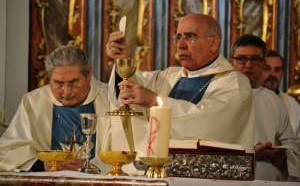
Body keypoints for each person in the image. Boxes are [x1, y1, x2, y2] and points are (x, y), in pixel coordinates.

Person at [106, 14, 255, 174]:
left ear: (214, 43)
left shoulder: (235, 84)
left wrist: (155, 102)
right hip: (161, 174)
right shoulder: (169, 76)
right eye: (178, 38)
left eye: (190, 37)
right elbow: (132, 87)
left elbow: (207, 121)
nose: (181, 45)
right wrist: (123, 61)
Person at [0, 45, 111, 172]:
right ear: (49, 78)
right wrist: (41, 165)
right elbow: (8, 151)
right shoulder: (33, 102)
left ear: (88, 73)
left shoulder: (110, 99)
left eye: (73, 82)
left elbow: (126, 149)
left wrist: (96, 166)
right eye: (59, 83)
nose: (66, 92)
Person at [230, 34, 300, 181]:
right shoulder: (219, 97)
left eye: (255, 59)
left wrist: (283, 154)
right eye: (242, 59)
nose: (248, 65)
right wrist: (253, 154)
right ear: (232, 63)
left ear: (263, 64)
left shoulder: (273, 100)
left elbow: (291, 142)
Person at [259, 50, 300, 137]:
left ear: (282, 73)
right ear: (259, 70)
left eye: (277, 70)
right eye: (267, 68)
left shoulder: (292, 105)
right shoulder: (250, 98)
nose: (272, 74)